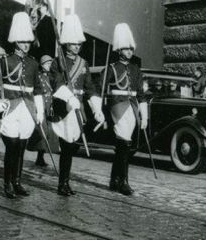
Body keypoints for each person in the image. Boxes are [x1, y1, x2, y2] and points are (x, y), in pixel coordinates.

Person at [0, 12, 44, 199]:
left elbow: (37, 89)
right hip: (11, 107)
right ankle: (7, 183)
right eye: (22, 42)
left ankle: (17, 182)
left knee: (21, 146)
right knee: (11, 145)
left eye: (28, 42)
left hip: (27, 107)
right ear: (15, 42)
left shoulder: (33, 63)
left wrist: (40, 110)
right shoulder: (5, 61)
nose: (26, 45)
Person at [50, 14, 104, 196]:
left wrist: (97, 109)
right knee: (66, 146)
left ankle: (65, 182)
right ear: (66, 43)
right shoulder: (58, 62)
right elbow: (56, 85)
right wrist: (68, 97)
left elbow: (89, 87)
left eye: (78, 44)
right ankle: (62, 183)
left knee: (71, 146)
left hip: (78, 107)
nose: (76, 47)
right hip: (64, 108)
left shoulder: (83, 63)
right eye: (73, 44)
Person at [103, 23, 148, 196]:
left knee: (124, 143)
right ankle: (123, 181)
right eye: (126, 48)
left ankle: (115, 179)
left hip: (132, 106)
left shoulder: (136, 69)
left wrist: (144, 116)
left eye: (131, 48)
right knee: (124, 140)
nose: (130, 51)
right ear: (119, 49)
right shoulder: (112, 68)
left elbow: (141, 94)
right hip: (118, 105)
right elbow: (101, 88)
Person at [27, 54, 59, 167]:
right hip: (41, 104)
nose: (49, 65)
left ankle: (42, 156)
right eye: (47, 63)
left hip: (50, 106)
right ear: (42, 65)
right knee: (42, 131)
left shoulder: (53, 76)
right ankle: (39, 157)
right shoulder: (39, 77)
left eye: (50, 63)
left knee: (50, 132)